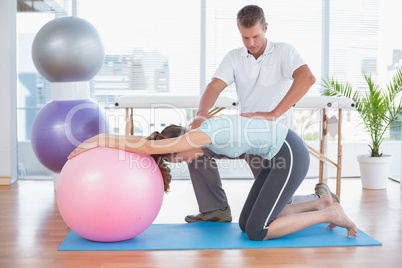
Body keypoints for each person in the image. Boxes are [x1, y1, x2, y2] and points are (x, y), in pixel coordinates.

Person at [68, 115, 357, 241]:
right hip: (277, 153)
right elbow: (142, 140)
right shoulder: (197, 136)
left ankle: (329, 212)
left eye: (177, 156)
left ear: (180, 143)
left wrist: (94, 140)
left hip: (289, 152)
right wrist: (99, 139)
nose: (181, 161)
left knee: (257, 231)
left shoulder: (199, 135)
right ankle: (320, 203)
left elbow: (145, 146)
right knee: (246, 224)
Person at [186, 5, 325, 223]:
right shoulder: (234, 57)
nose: (251, 43)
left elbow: (307, 77)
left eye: (255, 36)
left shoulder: (283, 52)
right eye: (245, 38)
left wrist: (273, 113)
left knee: (276, 208)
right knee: (195, 148)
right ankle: (215, 209)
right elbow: (214, 86)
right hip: (244, 136)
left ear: (266, 28)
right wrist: (201, 115)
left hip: (273, 140)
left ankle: (320, 198)